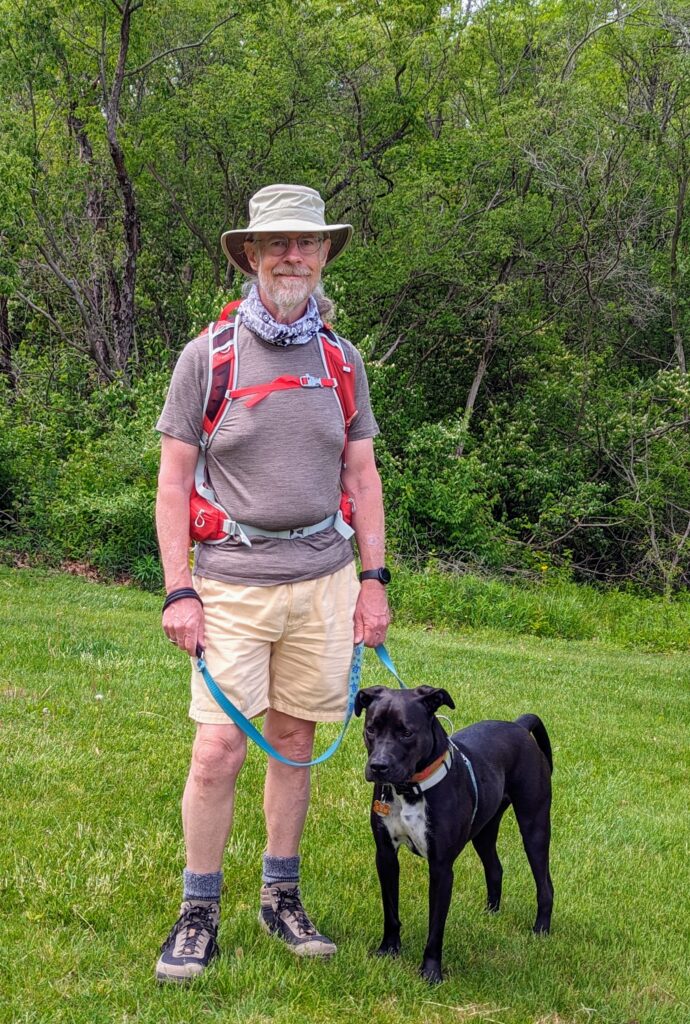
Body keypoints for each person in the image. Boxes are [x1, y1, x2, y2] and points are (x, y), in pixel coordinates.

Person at [154, 183, 391, 983]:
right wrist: (178, 588)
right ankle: (198, 910)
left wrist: (373, 580)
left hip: (324, 580)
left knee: (296, 741)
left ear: (324, 256)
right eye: (279, 244)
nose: (295, 256)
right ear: (251, 255)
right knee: (218, 749)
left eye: (309, 243)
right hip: (230, 586)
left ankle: (280, 896)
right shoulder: (208, 358)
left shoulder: (340, 359)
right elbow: (173, 481)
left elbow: (362, 473)